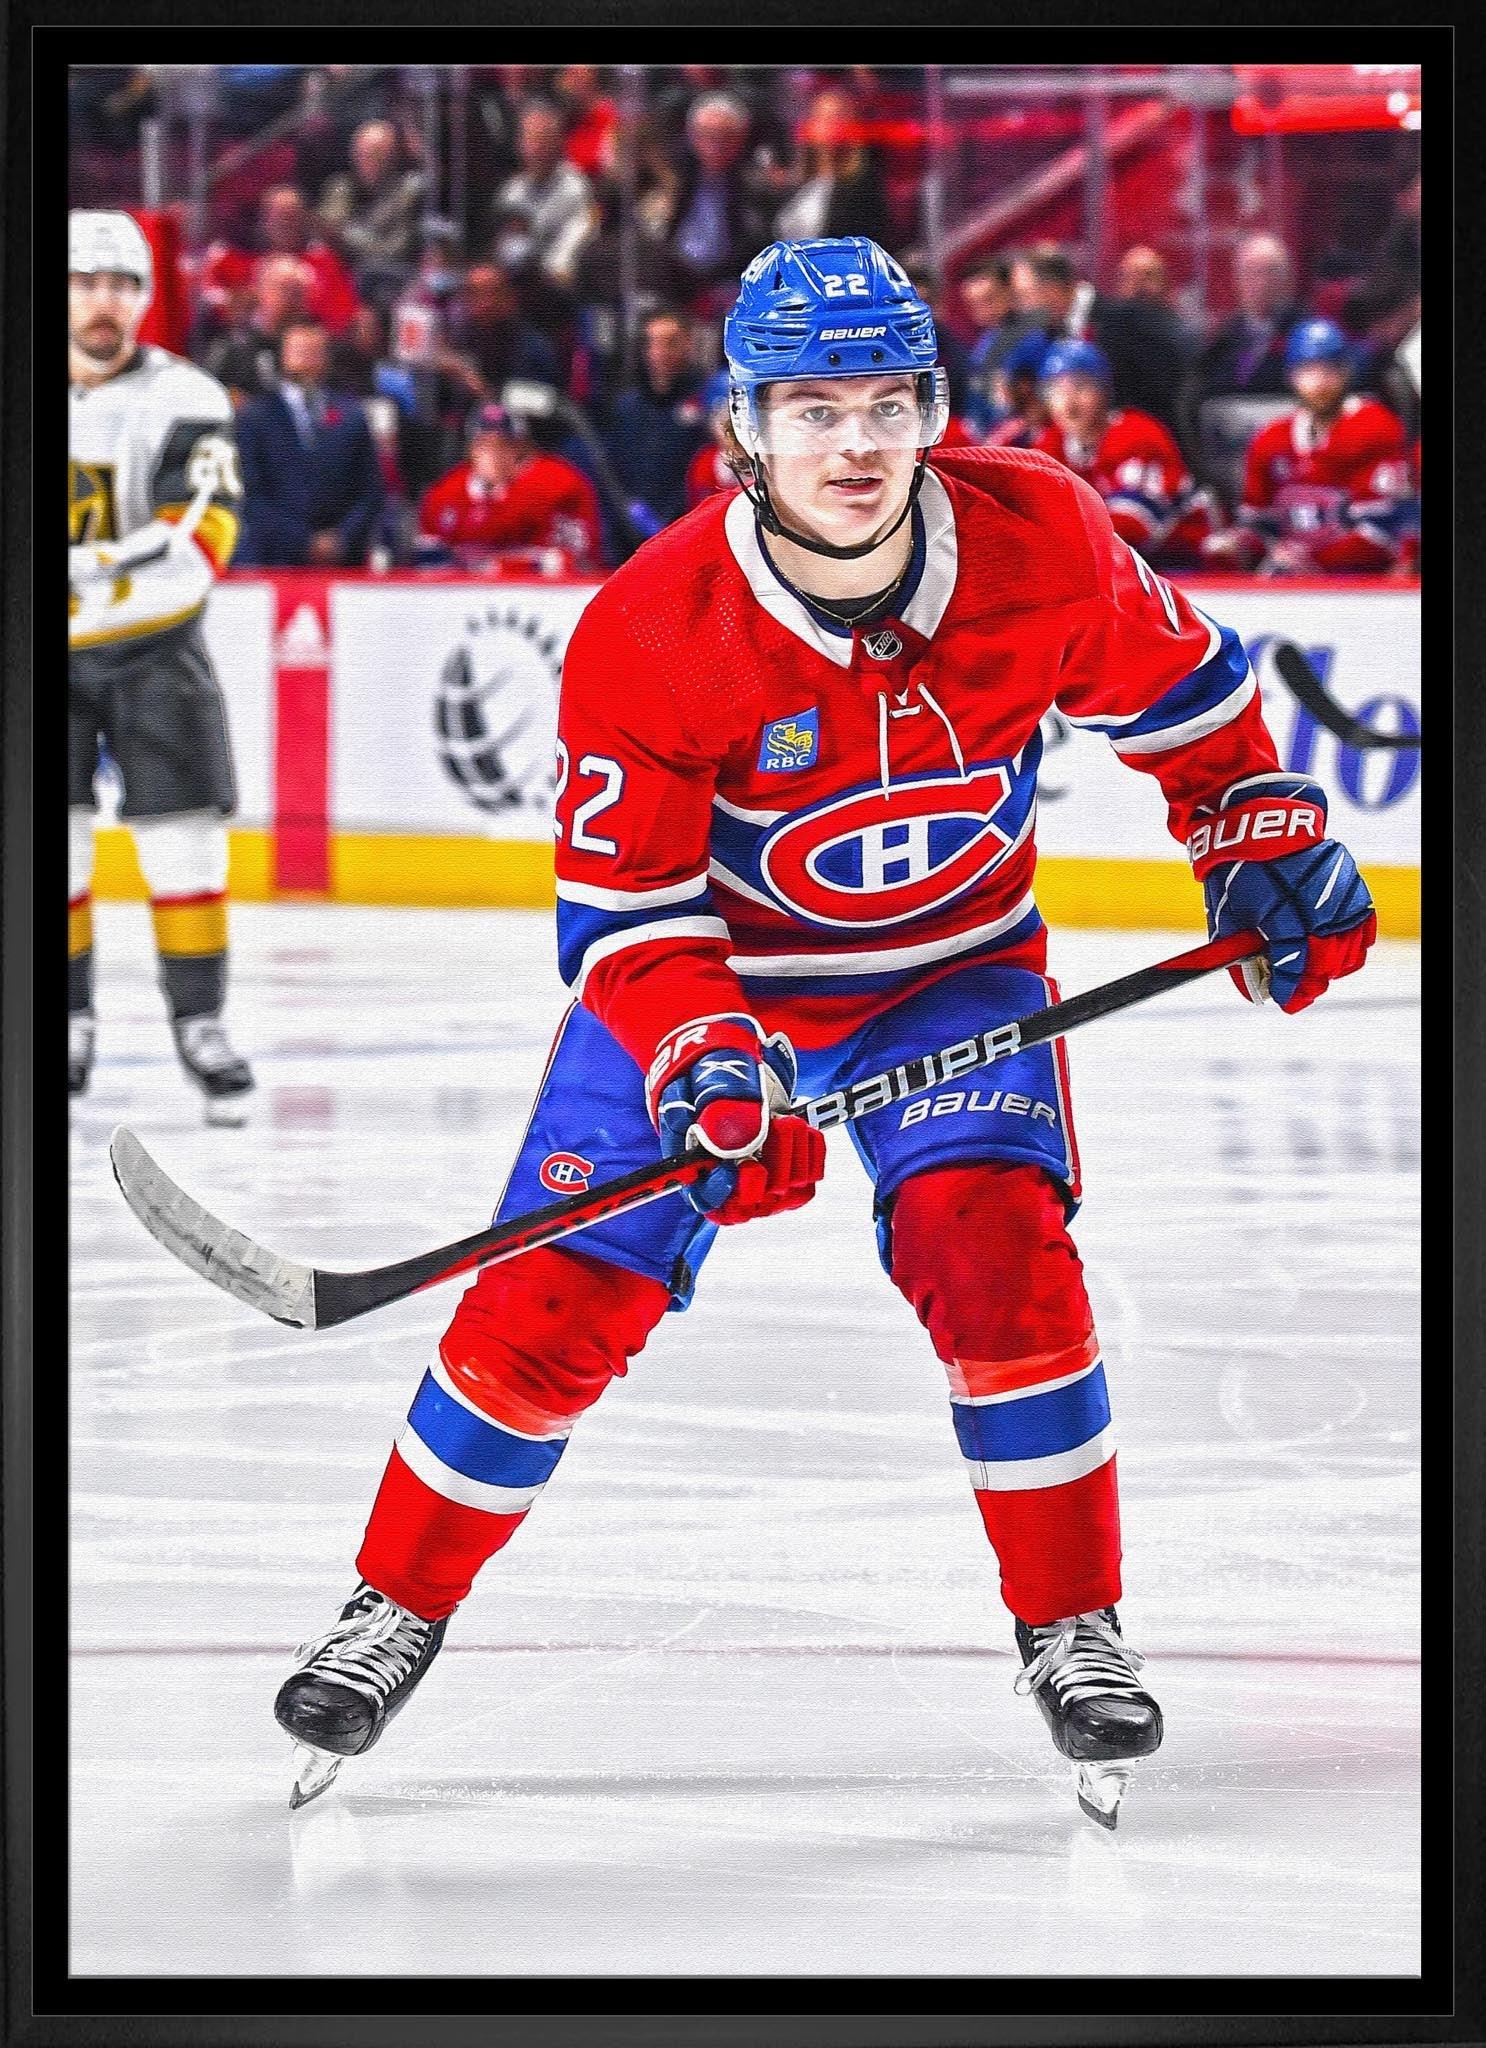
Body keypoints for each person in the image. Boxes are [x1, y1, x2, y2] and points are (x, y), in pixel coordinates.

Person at [272, 235, 1375, 1826]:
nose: (850, 444)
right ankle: (393, 1608)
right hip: (714, 988)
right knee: (551, 1305)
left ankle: (1070, 1625)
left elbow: (1185, 698)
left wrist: (1251, 829)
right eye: (808, 408)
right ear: (745, 427)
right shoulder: (652, 627)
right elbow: (629, 923)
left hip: (954, 969)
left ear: (932, 407)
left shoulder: (1041, 533)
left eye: (881, 402)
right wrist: (713, 1063)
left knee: (994, 1252)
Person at [68, 210, 255, 1122]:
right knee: (48, 851)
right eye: (85, 281)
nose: (104, 301)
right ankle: (61, 1022)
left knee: (183, 842)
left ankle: (200, 1022)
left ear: (145, 296)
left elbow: (198, 543)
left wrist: (78, 578)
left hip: (154, 648)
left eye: (122, 284)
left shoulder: (190, 397)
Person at [1202, 318, 1411, 576]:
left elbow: (1380, 534)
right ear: (1292, 375)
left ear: (1346, 373)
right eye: (1309, 371)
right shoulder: (1271, 439)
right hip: (1297, 581)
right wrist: (1241, 544)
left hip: (1362, 583)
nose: (1320, 382)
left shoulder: (1375, 427)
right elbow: (1261, 525)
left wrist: (1310, 563)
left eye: (1330, 371)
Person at [1034, 339, 1216, 568]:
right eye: (1057, 391)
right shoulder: (1050, 445)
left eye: (1080, 388)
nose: (1069, 404)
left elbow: (1137, 524)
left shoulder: (1137, 433)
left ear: (1104, 392)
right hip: (1116, 567)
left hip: (1184, 562)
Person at [234, 318, 387, 567]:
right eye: (299, 351)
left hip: (341, 560)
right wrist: (303, 541)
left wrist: (342, 538)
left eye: (314, 352)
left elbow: (369, 490)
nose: (306, 360)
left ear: (326, 357)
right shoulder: (255, 417)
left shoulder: (352, 414)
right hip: (274, 559)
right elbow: (251, 493)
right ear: (283, 355)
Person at [416, 401, 603, 571]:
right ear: (470, 448)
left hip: (534, 597)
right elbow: (429, 563)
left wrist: (499, 565)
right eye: (483, 444)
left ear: (522, 447)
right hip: (465, 597)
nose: (493, 454)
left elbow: (576, 563)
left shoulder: (558, 484)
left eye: (504, 444)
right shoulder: (446, 491)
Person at [601, 305, 711, 535]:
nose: (660, 351)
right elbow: (613, 470)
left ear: (688, 344)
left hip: (690, 526)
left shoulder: (706, 400)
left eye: (670, 342)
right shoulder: (627, 406)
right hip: (630, 530)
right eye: (653, 342)